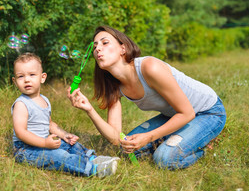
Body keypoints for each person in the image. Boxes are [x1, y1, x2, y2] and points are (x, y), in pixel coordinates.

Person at [67, 26, 226, 170]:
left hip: (207, 113)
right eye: (95, 46)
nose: (97, 49)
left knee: (164, 159)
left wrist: (149, 137)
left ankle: (203, 145)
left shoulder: (149, 67)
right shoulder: (114, 87)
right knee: (127, 149)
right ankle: (181, 139)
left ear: (123, 48)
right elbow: (116, 138)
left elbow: (187, 113)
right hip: (174, 116)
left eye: (104, 43)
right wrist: (89, 110)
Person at [11, 52, 119, 177]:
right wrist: (44, 143)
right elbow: (21, 132)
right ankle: (93, 169)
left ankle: (92, 158)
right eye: (20, 76)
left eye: (32, 74)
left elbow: (50, 124)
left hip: (43, 142)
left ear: (42, 77)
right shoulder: (21, 104)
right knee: (58, 156)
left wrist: (64, 134)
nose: (27, 79)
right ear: (15, 81)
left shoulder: (44, 100)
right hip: (26, 149)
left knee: (68, 144)